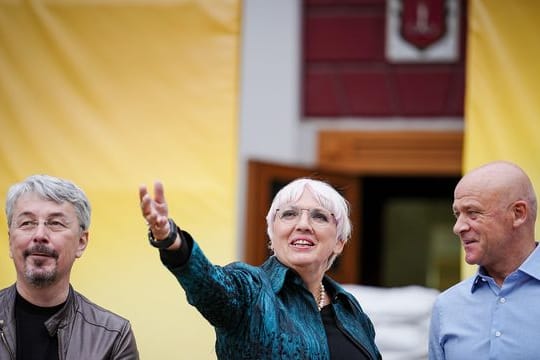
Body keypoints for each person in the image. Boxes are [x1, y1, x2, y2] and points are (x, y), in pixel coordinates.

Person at [139, 178, 381, 359]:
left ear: (339, 242)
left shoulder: (350, 310)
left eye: (319, 217)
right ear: (272, 234)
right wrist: (172, 239)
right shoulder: (250, 290)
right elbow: (208, 284)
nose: (303, 224)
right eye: (289, 214)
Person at [0, 174, 139, 360]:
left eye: (55, 223)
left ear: (81, 242)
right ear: (10, 241)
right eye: (27, 223)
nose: (39, 234)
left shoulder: (113, 337)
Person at [429, 161, 540, 360]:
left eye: (473, 213)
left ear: (518, 214)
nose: (458, 227)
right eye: (457, 214)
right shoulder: (447, 307)